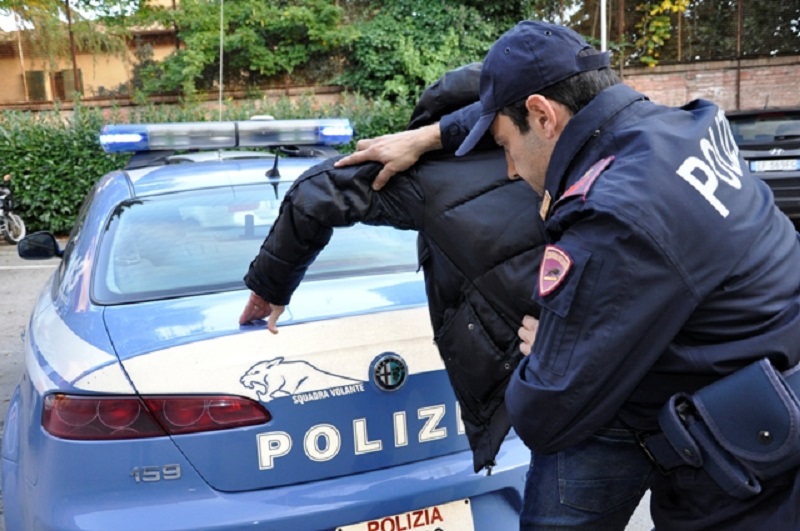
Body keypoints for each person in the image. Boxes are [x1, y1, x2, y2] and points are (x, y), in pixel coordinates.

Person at [334, 19, 800, 531]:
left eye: (506, 145)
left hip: (735, 477)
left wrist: (558, 347)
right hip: (755, 402)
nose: (510, 169)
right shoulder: (679, 126)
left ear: (543, 115)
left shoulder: (616, 215)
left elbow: (542, 412)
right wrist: (428, 136)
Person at [239, 63, 547, 475]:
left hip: (521, 374)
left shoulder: (425, 176)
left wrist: (269, 289)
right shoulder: (557, 141)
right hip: (560, 362)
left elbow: (314, 194)